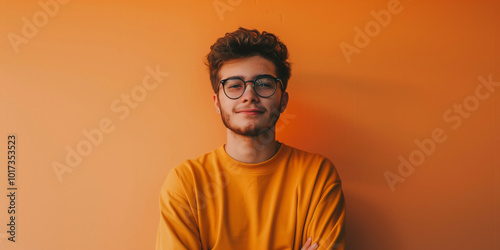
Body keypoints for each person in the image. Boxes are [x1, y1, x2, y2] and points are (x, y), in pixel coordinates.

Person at [156, 27, 345, 250]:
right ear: (217, 102)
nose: (249, 96)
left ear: (283, 101)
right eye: (234, 85)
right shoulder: (186, 183)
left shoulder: (317, 177)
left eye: (263, 84)